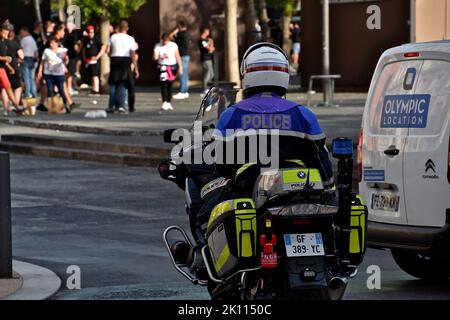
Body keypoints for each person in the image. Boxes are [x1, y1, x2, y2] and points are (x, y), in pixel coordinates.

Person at [195, 42, 334, 238]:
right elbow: (321, 160)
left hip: (246, 189)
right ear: (284, 73)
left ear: (247, 74)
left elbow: (222, 165)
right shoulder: (303, 114)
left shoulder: (231, 115)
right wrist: (329, 188)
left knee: (206, 219)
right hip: (299, 190)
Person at [107, 20, 137, 114]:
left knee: (113, 83)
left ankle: (111, 106)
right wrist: (135, 66)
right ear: (127, 28)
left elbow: (109, 50)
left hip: (115, 59)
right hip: (125, 60)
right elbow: (133, 53)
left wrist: (111, 57)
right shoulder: (130, 39)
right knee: (123, 83)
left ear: (119, 27)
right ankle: (121, 106)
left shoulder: (113, 37)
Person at [36, 36, 71, 114]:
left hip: (59, 73)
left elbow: (65, 60)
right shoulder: (47, 51)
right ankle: (51, 106)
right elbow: (42, 62)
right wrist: (40, 71)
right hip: (49, 73)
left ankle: (65, 105)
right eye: (50, 43)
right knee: (50, 90)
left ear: (57, 43)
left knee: (61, 90)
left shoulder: (62, 50)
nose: (51, 45)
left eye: (53, 43)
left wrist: (65, 63)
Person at [153, 33, 183, 111]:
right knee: (164, 84)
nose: (164, 43)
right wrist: (155, 56)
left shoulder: (173, 45)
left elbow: (177, 56)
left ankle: (168, 102)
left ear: (169, 40)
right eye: (163, 41)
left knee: (170, 84)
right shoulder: (158, 45)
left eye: (166, 41)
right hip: (162, 66)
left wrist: (180, 67)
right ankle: (164, 102)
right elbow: (154, 57)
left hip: (172, 66)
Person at [1, 25, 24, 111]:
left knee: (5, 87)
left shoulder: (3, 43)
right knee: (12, 87)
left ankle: (9, 108)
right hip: (7, 68)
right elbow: (21, 56)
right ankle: (16, 106)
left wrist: (8, 65)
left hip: (3, 68)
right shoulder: (12, 43)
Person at [82, 25, 106, 96]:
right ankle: (93, 89)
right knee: (91, 75)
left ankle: (96, 90)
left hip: (94, 60)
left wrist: (97, 57)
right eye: (89, 32)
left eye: (92, 32)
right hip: (88, 60)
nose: (91, 34)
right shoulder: (86, 40)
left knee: (95, 75)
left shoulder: (96, 39)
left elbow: (103, 47)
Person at [171, 20, 191, 100]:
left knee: (182, 73)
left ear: (180, 26)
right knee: (185, 74)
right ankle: (185, 91)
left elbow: (170, 36)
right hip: (186, 55)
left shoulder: (180, 34)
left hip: (181, 56)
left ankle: (182, 91)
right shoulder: (188, 34)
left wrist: (175, 30)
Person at [20, 26, 38, 98]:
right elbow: (36, 51)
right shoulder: (32, 39)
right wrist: (35, 59)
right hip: (32, 59)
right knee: (31, 77)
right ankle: (34, 93)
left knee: (26, 77)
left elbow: (20, 50)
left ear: (25, 31)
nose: (21, 34)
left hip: (25, 59)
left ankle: (27, 93)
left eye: (21, 32)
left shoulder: (23, 40)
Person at [198, 27, 215, 96]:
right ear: (204, 31)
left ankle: (209, 88)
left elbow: (213, 49)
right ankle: (205, 89)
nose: (209, 32)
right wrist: (210, 43)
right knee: (207, 74)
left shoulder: (207, 39)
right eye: (207, 31)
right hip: (205, 59)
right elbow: (209, 49)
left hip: (209, 58)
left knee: (212, 74)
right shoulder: (202, 40)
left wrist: (211, 43)